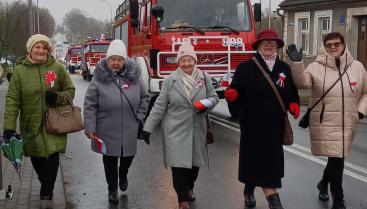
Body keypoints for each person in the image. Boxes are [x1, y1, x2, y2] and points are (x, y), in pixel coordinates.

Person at [286, 32, 367, 209]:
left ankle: (323, 183)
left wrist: (360, 112)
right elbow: (302, 84)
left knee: (337, 157)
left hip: (348, 122)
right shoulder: (316, 66)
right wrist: (298, 64)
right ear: (324, 46)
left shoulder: (358, 67)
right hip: (325, 121)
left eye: (336, 44)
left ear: (344, 44)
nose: (333, 47)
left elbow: (366, 92)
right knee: (337, 158)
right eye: (329, 44)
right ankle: (338, 199)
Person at [224, 29, 300, 209]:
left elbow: (292, 93)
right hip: (252, 124)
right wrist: (233, 96)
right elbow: (236, 90)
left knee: (269, 162)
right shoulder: (245, 67)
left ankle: (257, 190)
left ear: (277, 46)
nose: (269, 45)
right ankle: (260, 194)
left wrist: (294, 104)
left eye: (273, 43)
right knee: (254, 160)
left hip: (275, 125)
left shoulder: (284, 68)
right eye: (265, 42)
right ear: (258, 45)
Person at [141, 42, 219, 209]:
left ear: (195, 60)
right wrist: (147, 128)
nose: (186, 63)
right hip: (175, 130)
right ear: (178, 62)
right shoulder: (170, 80)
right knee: (178, 167)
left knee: (194, 166)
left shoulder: (204, 77)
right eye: (182, 60)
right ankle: (182, 198)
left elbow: (214, 98)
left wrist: (206, 103)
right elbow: (160, 106)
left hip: (197, 129)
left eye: (189, 59)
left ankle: (190, 187)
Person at [3, 34, 75, 209]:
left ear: (49, 50)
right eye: (37, 47)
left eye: (44, 48)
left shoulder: (57, 68)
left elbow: (70, 90)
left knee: (52, 155)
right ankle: (46, 183)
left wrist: (57, 97)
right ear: (30, 49)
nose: (41, 51)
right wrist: (9, 127)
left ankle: (47, 192)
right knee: (36, 157)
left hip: (55, 123)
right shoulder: (20, 71)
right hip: (31, 124)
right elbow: (12, 100)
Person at [83, 39, 150, 204]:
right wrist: (90, 127)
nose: (116, 63)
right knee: (109, 160)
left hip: (129, 126)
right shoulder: (98, 79)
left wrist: (140, 116)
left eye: (119, 59)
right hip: (106, 127)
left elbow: (145, 98)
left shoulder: (134, 78)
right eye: (112, 59)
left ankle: (124, 173)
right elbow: (90, 104)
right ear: (107, 60)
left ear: (125, 60)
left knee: (128, 156)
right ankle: (112, 189)